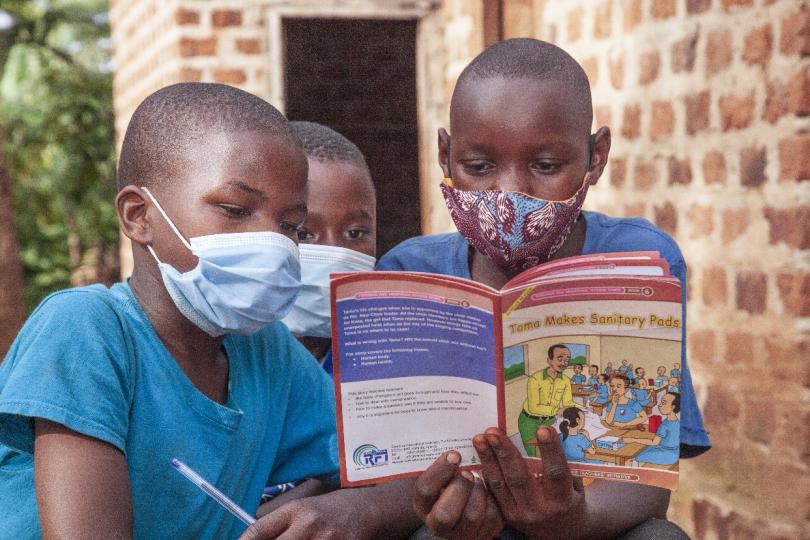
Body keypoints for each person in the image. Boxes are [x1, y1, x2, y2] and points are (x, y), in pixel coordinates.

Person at [0, 83, 418, 539]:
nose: (273, 242)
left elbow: (387, 462)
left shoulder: (265, 353)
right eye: (235, 209)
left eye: (289, 227)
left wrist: (358, 508)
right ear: (139, 215)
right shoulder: (85, 330)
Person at [382, 39, 707, 539]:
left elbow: (649, 476)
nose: (512, 193)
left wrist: (576, 523)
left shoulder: (641, 261)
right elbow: (384, 463)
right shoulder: (408, 271)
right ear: (445, 154)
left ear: (595, 157)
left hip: (594, 523)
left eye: (546, 166)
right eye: (479, 166)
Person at [282, 121, 377, 373]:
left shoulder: (381, 354)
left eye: (355, 233)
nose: (336, 252)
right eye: (303, 233)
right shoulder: (233, 358)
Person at [518, 344, 581, 457]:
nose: (564, 363)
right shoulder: (535, 379)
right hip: (529, 421)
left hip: (550, 421)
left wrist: (583, 408)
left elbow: (568, 402)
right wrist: (557, 411)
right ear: (549, 360)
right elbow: (534, 407)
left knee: (552, 453)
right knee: (535, 456)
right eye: (560, 359)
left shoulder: (566, 380)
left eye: (567, 360)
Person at [624, 393, 680, 466]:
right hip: (674, 453)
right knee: (640, 453)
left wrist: (633, 439)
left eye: (663, 403)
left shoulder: (665, 425)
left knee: (632, 460)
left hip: (666, 455)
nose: (660, 405)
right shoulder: (676, 421)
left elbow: (654, 442)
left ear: (672, 407)